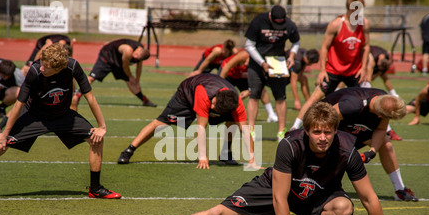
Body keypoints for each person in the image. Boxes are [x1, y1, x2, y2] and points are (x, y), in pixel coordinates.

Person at [125, 102, 406, 215]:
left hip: (320, 194)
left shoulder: (347, 149)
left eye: (328, 132)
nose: (322, 137)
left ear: (335, 131)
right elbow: (280, 199)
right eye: (317, 132)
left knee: (345, 208)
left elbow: (369, 200)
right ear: (306, 131)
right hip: (277, 186)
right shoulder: (289, 145)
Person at [0, 43, 121, 199]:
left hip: (63, 116)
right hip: (35, 117)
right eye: (42, 63)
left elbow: (90, 97)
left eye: (46, 67)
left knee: (96, 139)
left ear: (58, 69)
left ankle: (95, 189)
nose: (42, 68)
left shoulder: (73, 66)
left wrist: (101, 126)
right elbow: (18, 104)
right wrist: (4, 134)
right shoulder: (35, 70)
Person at [117, 73, 258, 169]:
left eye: (215, 108)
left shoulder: (236, 103)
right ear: (217, 96)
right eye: (213, 104)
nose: (212, 108)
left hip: (211, 96)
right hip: (186, 95)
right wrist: (203, 157)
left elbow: (244, 130)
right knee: (161, 124)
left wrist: (252, 159)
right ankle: (129, 150)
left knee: (234, 122)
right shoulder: (204, 94)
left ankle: (226, 153)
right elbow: (201, 128)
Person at [321, 87, 417, 201]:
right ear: (380, 115)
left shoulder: (383, 101)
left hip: (351, 127)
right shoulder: (352, 105)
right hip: (328, 125)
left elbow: (381, 130)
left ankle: (400, 189)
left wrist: (372, 152)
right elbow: (323, 122)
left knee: (386, 143)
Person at [290, 0, 370, 131]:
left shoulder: (364, 24)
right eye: (355, 10)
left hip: (354, 71)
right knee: (315, 98)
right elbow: (324, 47)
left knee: (367, 100)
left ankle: (383, 130)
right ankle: (294, 127)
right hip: (333, 70)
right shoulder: (336, 24)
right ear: (349, 9)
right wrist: (322, 70)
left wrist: (363, 68)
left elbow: (366, 46)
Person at [244, 5, 301, 141]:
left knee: (281, 97)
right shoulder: (258, 21)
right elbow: (249, 45)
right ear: (270, 17)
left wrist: (292, 56)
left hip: (278, 64)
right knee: (254, 95)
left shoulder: (289, 25)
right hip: (258, 63)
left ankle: (281, 131)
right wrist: (261, 62)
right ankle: (251, 130)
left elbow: (296, 41)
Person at [72, 38, 155, 110]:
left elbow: (139, 67)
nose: (135, 57)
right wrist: (130, 76)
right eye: (136, 55)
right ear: (139, 50)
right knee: (92, 78)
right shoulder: (128, 51)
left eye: (138, 58)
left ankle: (144, 100)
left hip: (118, 62)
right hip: (107, 57)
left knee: (131, 82)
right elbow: (125, 66)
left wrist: (137, 80)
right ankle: (77, 96)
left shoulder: (141, 53)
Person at [218, 49, 278, 125]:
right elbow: (227, 66)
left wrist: (249, 90)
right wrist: (220, 84)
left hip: (242, 75)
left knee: (261, 89)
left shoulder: (260, 61)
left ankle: (271, 114)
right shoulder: (244, 54)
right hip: (229, 74)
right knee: (222, 93)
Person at [366, 45, 402, 141]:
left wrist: (394, 95)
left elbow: (384, 77)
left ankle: (389, 131)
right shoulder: (372, 60)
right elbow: (369, 77)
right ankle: (388, 131)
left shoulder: (385, 58)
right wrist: (367, 91)